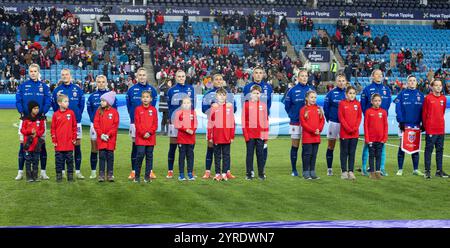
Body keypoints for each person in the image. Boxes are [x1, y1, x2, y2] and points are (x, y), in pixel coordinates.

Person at [15, 63, 51, 181]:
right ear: (28, 73)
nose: (33, 73)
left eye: (35, 71)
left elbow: (47, 101)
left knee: (41, 146)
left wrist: (42, 113)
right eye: (31, 71)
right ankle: (20, 172)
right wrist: (22, 112)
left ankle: (43, 172)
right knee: (23, 146)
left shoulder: (44, 86)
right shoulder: (23, 86)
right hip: (26, 120)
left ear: (38, 72)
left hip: (40, 120)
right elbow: (18, 100)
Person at [201, 74, 237, 179]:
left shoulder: (229, 94)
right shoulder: (208, 94)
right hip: (213, 125)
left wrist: (229, 106)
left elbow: (234, 108)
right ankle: (208, 171)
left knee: (226, 150)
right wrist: (212, 105)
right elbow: (204, 109)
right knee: (210, 147)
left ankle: (227, 171)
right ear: (212, 81)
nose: (219, 81)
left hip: (225, 127)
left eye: (220, 79)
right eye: (216, 79)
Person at [52, 69, 85, 179]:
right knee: (62, 148)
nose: (65, 76)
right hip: (62, 124)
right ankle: (61, 171)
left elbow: (81, 104)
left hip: (76, 123)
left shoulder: (77, 89)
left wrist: (78, 116)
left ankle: (77, 171)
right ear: (61, 76)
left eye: (67, 74)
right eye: (63, 75)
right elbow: (54, 106)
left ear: (70, 76)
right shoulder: (57, 90)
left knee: (77, 146)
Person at [126, 68, 158, 180]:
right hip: (135, 124)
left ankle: (149, 172)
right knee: (135, 147)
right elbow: (129, 105)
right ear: (137, 76)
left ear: (147, 76)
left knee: (149, 150)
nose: (142, 77)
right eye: (140, 75)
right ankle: (134, 171)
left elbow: (152, 106)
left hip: (148, 125)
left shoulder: (152, 90)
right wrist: (132, 119)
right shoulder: (131, 90)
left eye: (144, 75)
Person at [360, 69, 392, 176]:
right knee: (367, 145)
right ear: (372, 76)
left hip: (382, 120)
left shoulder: (386, 89)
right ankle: (364, 168)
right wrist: (370, 115)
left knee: (382, 145)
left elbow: (387, 104)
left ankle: (381, 168)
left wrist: (382, 114)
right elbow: (363, 105)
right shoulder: (367, 89)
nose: (379, 76)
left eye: (380, 74)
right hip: (371, 121)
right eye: (376, 74)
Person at [283, 69, 314, 176]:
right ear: (298, 77)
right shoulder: (292, 90)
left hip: (308, 124)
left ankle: (306, 169)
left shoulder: (311, 89)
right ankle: (294, 169)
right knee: (295, 146)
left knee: (306, 147)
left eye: (306, 76)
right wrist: (292, 116)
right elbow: (287, 106)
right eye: (302, 76)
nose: (304, 78)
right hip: (295, 122)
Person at [86, 75, 117, 179]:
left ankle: (108, 172)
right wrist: (94, 122)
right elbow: (90, 110)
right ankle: (94, 171)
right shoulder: (92, 96)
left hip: (108, 128)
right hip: (96, 126)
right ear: (96, 83)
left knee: (109, 150)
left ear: (106, 83)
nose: (101, 83)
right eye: (99, 82)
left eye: (103, 82)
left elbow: (115, 111)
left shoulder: (111, 97)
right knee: (94, 148)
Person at [166, 70, 195, 179]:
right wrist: (172, 119)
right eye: (179, 76)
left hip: (188, 123)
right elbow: (169, 107)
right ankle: (170, 170)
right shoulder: (171, 90)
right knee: (173, 147)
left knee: (189, 148)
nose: (181, 78)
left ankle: (189, 171)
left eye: (183, 76)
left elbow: (193, 106)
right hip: (175, 123)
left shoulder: (190, 89)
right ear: (176, 77)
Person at [394, 75, 424, 176]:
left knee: (415, 147)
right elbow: (398, 109)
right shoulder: (402, 94)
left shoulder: (421, 95)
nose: (412, 82)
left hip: (416, 126)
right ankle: (400, 169)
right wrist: (401, 122)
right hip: (404, 125)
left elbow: (424, 111)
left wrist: (423, 123)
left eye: (414, 80)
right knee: (402, 147)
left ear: (416, 83)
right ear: (407, 83)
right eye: (410, 81)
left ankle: (415, 169)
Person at [243, 67, 273, 170]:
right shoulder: (247, 87)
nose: (258, 75)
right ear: (253, 75)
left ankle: (261, 168)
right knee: (250, 149)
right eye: (256, 73)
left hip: (263, 120)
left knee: (264, 144)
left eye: (260, 73)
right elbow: (245, 104)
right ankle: (250, 170)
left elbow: (269, 104)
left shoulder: (268, 87)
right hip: (251, 123)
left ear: (263, 74)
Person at [207, 88, 235, 181]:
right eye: (219, 95)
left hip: (227, 136)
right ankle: (217, 173)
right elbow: (210, 122)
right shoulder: (214, 107)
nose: (221, 97)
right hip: (216, 136)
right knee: (217, 155)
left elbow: (232, 122)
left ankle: (224, 173)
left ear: (226, 96)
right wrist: (209, 136)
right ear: (216, 96)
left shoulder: (229, 107)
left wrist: (232, 136)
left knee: (226, 155)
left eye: (223, 95)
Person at [422, 78, 448, 179]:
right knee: (429, 150)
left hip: (440, 129)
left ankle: (439, 171)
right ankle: (427, 171)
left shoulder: (443, 99)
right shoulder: (428, 98)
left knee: (440, 150)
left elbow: (442, 112)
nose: (438, 87)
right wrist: (426, 126)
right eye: (436, 85)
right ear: (432, 87)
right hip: (431, 129)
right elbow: (424, 114)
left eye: (440, 85)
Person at [242, 85, 269, 180]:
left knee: (260, 155)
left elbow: (266, 121)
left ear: (260, 94)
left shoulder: (263, 105)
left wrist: (265, 136)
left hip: (260, 135)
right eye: (254, 93)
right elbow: (244, 121)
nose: (256, 95)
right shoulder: (246, 105)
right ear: (250, 94)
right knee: (249, 155)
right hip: (250, 135)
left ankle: (261, 173)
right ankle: (249, 174)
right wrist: (246, 135)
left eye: (257, 93)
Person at [323, 74, 346, 176]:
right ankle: (329, 168)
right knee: (331, 146)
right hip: (334, 123)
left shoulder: (348, 93)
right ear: (336, 82)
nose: (341, 82)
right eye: (339, 81)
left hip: (344, 124)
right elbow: (326, 108)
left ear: (346, 82)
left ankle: (343, 169)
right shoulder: (331, 94)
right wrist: (330, 119)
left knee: (344, 147)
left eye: (343, 81)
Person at [93, 91, 119, 182]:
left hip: (110, 139)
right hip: (101, 139)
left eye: (103, 101)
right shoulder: (98, 111)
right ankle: (101, 174)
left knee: (110, 157)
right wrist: (101, 134)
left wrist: (108, 135)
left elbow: (115, 126)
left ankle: (110, 174)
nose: (101, 102)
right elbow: (96, 124)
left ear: (109, 102)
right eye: (101, 101)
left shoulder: (114, 112)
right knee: (102, 156)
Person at [51, 94, 77, 182]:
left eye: (68, 101)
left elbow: (74, 127)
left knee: (70, 160)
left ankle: (70, 176)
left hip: (69, 143)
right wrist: (54, 139)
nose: (67, 103)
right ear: (59, 103)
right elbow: (53, 129)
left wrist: (74, 138)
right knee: (58, 161)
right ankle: (59, 176)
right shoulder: (55, 115)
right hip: (59, 143)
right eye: (65, 101)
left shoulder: (71, 113)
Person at [134, 91, 158, 183]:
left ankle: (147, 177)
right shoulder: (138, 109)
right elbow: (137, 123)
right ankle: (137, 176)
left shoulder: (154, 110)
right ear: (141, 99)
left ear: (151, 99)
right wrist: (143, 133)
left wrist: (149, 132)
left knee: (149, 157)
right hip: (141, 138)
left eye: (147, 97)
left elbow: (155, 124)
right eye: (143, 97)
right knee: (140, 155)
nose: (145, 98)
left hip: (150, 138)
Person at [338, 86, 362, 180]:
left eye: (353, 93)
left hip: (354, 133)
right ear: (346, 94)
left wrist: (355, 128)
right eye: (350, 93)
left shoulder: (358, 104)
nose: (352, 95)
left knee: (352, 152)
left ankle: (351, 171)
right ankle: (344, 171)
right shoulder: (342, 103)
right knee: (344, 152)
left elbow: (359, 117)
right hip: (345, 132)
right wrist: (348, 128)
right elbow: (341, 117)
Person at [300, 90, 325, 180]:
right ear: (307, 98)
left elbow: (322, 120)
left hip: (316, 137)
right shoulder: (303, 110)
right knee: (307, 154)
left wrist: (319, 129)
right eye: (311, 97)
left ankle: (312, 171)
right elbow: (303, 123)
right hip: (307, 137)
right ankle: (306, 171)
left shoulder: (319, 109)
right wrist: (313, 130)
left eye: (315, 97)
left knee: (314, 154)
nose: (313, 99)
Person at [364, 94, 388, 180]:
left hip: (380, 139)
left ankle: (378, 172)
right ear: (372, 101)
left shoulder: (384, 112)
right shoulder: (368, 111)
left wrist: (384, 138)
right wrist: (367, 138)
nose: (377, 102)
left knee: (379, 156)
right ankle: (372, 172)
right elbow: (365, 126)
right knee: (371, 156)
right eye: (375, 101)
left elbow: (386, 126)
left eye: (379, 101)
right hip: (371, 139)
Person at [21, 101, 45, 182]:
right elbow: (22, 130)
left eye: (38, 108)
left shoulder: (40, 119)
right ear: (31, 109)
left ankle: (35, 176)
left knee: (36, 160)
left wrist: (37, 133)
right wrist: (30, 131)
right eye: (35, 108)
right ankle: (29, 177)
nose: (37, 110)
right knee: (28, 161)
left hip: (37, 144)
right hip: (28, 144)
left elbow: (42, 130)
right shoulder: (26, 119)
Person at [174, 96, 197, 181]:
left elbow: (196, 123)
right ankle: (181, 174)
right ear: (182, 104)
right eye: (184, 103)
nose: (186, 104)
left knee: (190, 156)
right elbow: (177, 124)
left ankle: (190, 173)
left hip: (191, 139)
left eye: (188, 103)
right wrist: (187, 129)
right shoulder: (178, 113)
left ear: (191, 104)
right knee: (182, 156)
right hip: (182, 139)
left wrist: (192, 130)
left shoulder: (193, 113)